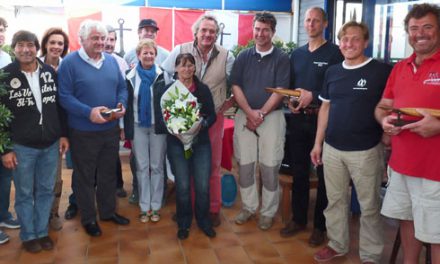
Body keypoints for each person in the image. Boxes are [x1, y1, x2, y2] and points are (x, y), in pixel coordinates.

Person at [310, 21, 391, 263]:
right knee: (334, 202)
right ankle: (337, 244)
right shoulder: (333, 72)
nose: (349, 44)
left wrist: (388, 132)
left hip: (366, 151)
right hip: (333, 149)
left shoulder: (381, 71)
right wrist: (318, 144)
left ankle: (371, 255)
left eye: (355, 39)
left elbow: (391, 104)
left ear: (365, 42)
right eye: (345, 39)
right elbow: (325, 108)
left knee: (369, 207)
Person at [375, 3, 440, 263]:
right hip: (401, 166)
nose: (420, 33)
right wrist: (384, 122)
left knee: (436, 234)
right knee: (407, 221)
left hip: (434, 170)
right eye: (414, 28)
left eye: (427, 27)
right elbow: (383, 106)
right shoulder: (400, 68)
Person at [161, 14, 235, 227]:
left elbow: (237, 82)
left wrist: (228, 102)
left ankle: (212, 208)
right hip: (182, 118)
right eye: (204, 30)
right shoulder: (180, 50)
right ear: (196, 32)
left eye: (212, 31)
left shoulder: (226, 56)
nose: (208, 34)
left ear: (216, 35)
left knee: (211, 165)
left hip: (211, 118)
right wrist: (171, 102)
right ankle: (188, 207)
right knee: (186, 163)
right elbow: (164, 74)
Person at [58, 20, 129, 237]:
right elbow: (64, 96)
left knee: (108, 173)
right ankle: (88, 218)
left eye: (102, 38)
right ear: (82, 40)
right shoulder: (69, 63)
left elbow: (122, 87)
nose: (100, 42)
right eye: (95, 38)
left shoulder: (111, 61)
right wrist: (89, 112)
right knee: (85, 177)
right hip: (83, 131)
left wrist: (121, 104)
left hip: (109, 129)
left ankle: (108, 212)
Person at [280, 7, 343, 246]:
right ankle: (298, 219)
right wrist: (291, 100)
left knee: (325, 175)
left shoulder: (335, 54)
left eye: (316, 20)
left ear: (325, 24)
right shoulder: (296, 54)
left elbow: (337, 89)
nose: (311, 24)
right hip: (298, 120)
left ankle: (320, 226)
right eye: (308, 20)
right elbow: (291, 88)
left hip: (324, 122)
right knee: (299, 171)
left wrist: (313, 96)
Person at [0, 30, 69, 253]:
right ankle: (29, 235)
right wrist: (5, 149)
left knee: (46, 190)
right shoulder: (5, 76)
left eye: (30, 45)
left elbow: (59, 106)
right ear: (14, 48)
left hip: (50, 145)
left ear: (37, 48)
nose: (25, 49)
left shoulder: (49, 72)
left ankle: (41, 231)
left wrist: (63, 134)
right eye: (20, 45)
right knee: (24, 193)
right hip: (21, 147)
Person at [231, 12, 290, 230]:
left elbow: (281, 91)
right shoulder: (243, 56)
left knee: (269, 166)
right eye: (257, 29)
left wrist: (261, 114)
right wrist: (249, 112)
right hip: (244, 117)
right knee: (245, 165)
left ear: (273, 32)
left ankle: (267, 212)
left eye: (265, 30)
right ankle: (248, 207)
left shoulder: (282, 58)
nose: (260, 34)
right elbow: (235, 86)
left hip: (272, 118)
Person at [166, 53, 217, 240]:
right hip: (177, 144)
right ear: (176, 68)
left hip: (201, 143)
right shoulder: (169, 90)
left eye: (190, 65)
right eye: (183, 65)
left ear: (195, 68)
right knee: (183, 186)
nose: (187, 69)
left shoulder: (202, 90)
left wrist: (202, 124)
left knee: (202, 185)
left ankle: (204, 221)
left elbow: (212, 115)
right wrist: (175, 130)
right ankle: (184, 222)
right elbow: (163, 118)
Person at [124, 18, 169, 204]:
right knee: (140, 165)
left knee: (158, 164)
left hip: (157, 125)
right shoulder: (129, 65)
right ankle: (143, 200)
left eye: (153, 30)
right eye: (145, 29)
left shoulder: (165, 61)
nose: (149, 56)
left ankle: (158, 200)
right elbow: (125, 98)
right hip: (138, 125)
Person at [39, 27, 69, 231]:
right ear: (45, 44)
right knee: (36, 178)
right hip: (35, 131)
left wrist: (64, 133)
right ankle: (38, 215)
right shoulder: (35, 66)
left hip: (57, 131)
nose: (56, 47)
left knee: (56, 176)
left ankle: (53, 213)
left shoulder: (66, 68)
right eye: (53, 43)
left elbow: (64, 104)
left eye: (60, 43)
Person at [0, 17, 19, 245]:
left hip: (5, 126)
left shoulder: (6, 58)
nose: (0, 33)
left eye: (2, 29)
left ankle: (3, 215)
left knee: (5, 175)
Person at [105, 25, 129, 198]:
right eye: (106, 39)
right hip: (92, 119)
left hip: (114, 118)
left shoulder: (121, 62)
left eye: (112, 39)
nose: (109, 43)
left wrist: (122, 125)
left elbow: (124, 92)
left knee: (113, 155)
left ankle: (118, 185)